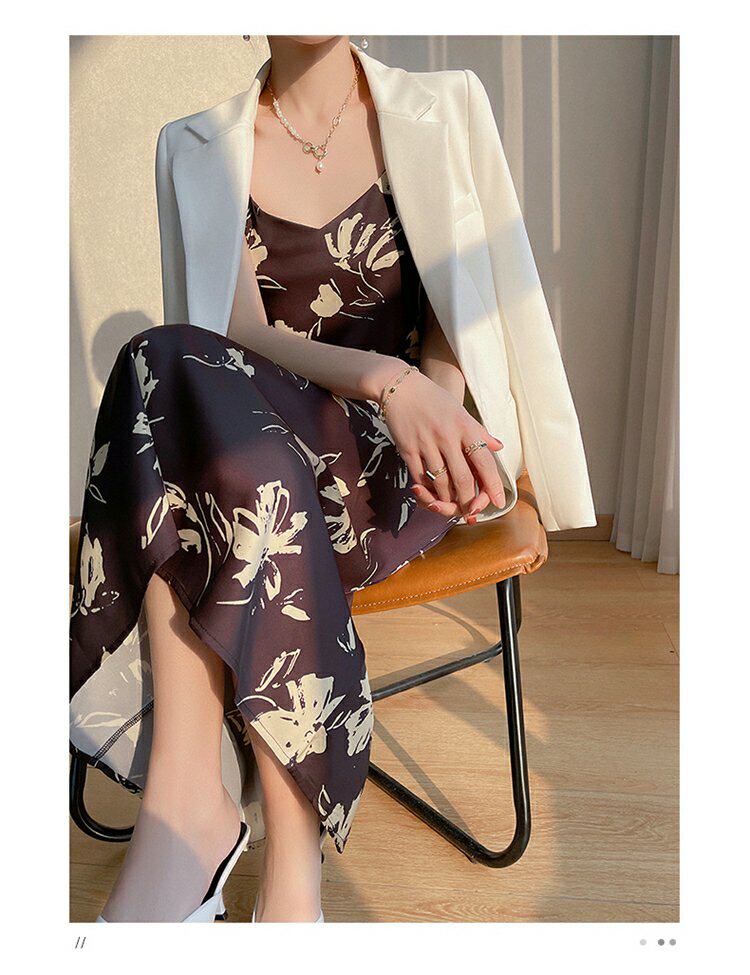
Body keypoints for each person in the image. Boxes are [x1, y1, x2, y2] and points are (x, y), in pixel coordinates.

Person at [69, 35, 595, 923]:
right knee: (168, 369)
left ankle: (198, 823)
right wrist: (383, 379)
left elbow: (464, 303)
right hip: (270, 460)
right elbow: (230, 340)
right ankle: (259, 852)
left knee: (199, 451)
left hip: (402, 464)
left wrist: (425, 398)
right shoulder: (196, 145)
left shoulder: (443, 107)